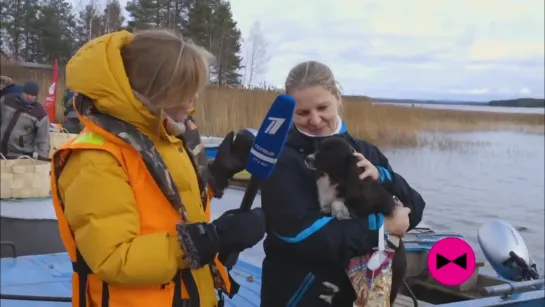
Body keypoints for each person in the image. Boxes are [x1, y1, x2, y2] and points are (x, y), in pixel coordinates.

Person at [51, 29, 265, 307]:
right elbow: (114, 258)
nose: (195, 99)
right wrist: (211, 239)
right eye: (187, 90)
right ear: (156, 91)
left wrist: (217, 175)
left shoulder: (161, 138)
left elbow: (167, 204)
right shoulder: (96, 158)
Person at [259, 61, 426, 306]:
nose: (315, 120)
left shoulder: (364, 150)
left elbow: (415, 210)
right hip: (299, 296)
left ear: (337, 97)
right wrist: (381, 226)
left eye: (322, 107)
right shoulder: (281, 159)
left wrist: (383, 176)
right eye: (303, 113)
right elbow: (297, 234)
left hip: (359, 295)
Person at [0, 81, 50, 160]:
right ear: (22, 92)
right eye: (27, 94)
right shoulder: (7, 100)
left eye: (32, 95)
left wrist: (42, 158)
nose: (29, 97)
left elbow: (43, 139)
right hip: (1, 151)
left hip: (20, 156)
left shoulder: (40, 114)